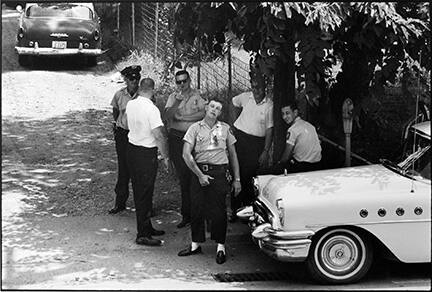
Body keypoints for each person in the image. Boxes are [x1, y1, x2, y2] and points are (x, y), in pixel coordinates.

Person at [177, 97, 241, 264]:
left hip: (220, 173)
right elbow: (186, 154)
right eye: (212, 106)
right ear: (206, 108)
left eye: (218, 108)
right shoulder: (194, 128)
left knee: (219, 211)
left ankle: (220, 247)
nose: (214, 110)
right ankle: (195, 244)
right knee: (196, 208)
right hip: (199, 172)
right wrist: (200, 175)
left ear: (220, 112)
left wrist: (237, 179)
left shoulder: (225, 129)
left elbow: (233, 155)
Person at [125, 77, 171, 246]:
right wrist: (166, 156)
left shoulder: (131, 104)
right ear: (152, 90)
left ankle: (146, 226)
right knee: (144, 193)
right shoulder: (151, 109)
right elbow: (159, 134)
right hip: (145, 152)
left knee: (143, 190)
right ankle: (142, 234)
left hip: (132, 149)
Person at [163, 70, 207, 228]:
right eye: (178, 82)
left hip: (194, 140)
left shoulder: (198, 96)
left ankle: (199, 215)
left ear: (189, 80)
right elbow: (168, 116)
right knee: (183, 177)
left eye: (184, 81)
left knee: (196, 176)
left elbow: (204, 113)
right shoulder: (173, 97)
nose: (182, 85)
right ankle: (186, 215)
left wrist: (183, 118)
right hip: (177, 138)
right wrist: (176, 103)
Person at [230, 79, 273, 222]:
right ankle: (234, 209)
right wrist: (233, 123)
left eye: (259, 88)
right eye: (254, 87)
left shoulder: (269, 105)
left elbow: (269, 129)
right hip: (239, 139)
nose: (256, 91)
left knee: (249, 176)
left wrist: (266, 151)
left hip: (256, 144)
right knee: (235, 173)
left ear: (264, 88)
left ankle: (248, 211)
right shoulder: (245, 97)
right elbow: (233, 103)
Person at [109, 65, 141, 214]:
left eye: (137, 78)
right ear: (126, 80)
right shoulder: (119, 95)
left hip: (139, 134)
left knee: (140, 170)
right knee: (123, 168)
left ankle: (144, 205)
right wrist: (117, 124)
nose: (135, 82)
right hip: (123, 134)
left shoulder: (144, 95)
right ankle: (120, 202)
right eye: (132, 79)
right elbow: (115, 110)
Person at [275, 101, 322, 173]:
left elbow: (286, 155)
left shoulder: (293, 129)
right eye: (283, 114)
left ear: (295, 112)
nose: (284, 117)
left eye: (287, 113)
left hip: (302, 166)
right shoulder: (310, 126)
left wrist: (279, 164)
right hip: (318, 165)